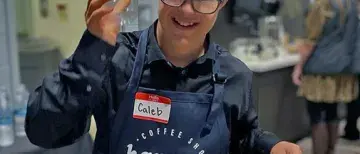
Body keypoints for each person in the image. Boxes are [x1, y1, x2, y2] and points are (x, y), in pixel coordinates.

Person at [25, 0, 301, 153]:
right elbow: (44, 131)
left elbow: (243, 138)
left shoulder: (236, 75)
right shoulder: (115, 59)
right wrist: (92, 48)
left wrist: (269, 147)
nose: (186, 9)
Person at [292, 0, 359, 153]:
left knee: (317, 116)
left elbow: (311, 40)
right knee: (332, 113)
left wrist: (298, 67)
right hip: (342, 67)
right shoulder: (350, 4)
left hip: (319, 68)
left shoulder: (321, 4)